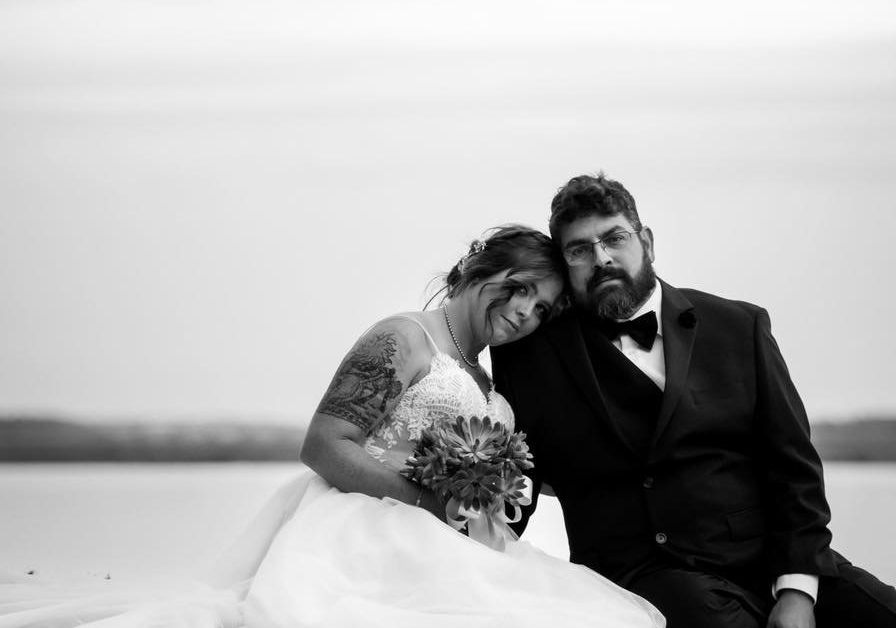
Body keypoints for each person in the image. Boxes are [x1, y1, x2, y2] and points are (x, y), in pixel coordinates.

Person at [1, 224, 664, 628]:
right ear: (476, 270)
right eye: (518, 288)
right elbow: (322, 443)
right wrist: (426, 502)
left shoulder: (489, 382)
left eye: (542, 307)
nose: (525, 311)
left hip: (452, 541)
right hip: (362, 529)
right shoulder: (403, 338)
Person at [491, 173, 896, 628]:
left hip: (772, 561)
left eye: (614, 238)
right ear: (566, 265)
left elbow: (793, 467)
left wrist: (798, 592)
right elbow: (514, 487)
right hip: (646, 585)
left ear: (646, 241)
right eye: (579, 250)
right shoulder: (530, 357)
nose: (600, 258)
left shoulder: (739, 327)